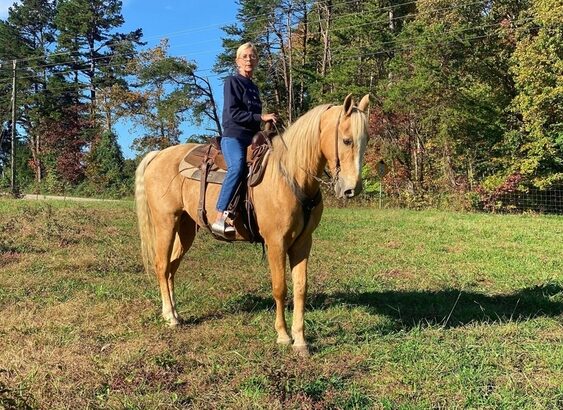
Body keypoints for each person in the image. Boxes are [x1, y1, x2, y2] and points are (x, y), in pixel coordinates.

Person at [211, 42, 277, 238]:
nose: (249, 59)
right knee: (237, 167)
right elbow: (233, 114)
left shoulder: (254, 87)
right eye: (245, 56)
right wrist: (260, 117)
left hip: (253, 138)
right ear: (237, 60)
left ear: (256, 60)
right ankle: (220, 216)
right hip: (234, 136)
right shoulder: (232, 81)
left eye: (252, 56)